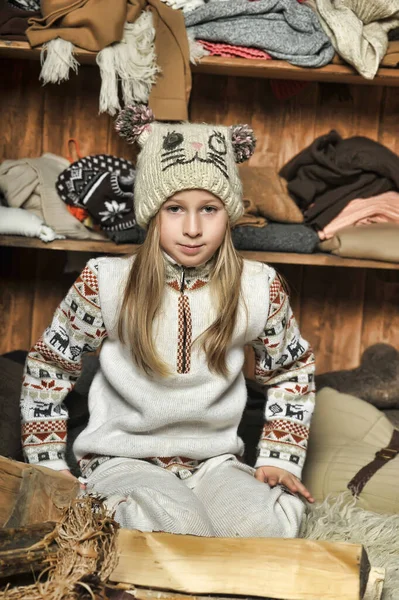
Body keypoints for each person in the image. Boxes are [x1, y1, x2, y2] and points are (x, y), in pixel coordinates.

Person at [20, 106, 316, 538]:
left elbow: (291, 369)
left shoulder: (260, 287)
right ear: (151, 212)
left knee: (263, 527)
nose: (193, 228)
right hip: (122, 461)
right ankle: (116, 511)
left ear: (229, 214)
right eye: (175, 208)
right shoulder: (105, 281)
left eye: (209, 209)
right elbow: (50, 367)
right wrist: (49, 466)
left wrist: (278, 456)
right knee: (172, 526)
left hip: (214, 463)